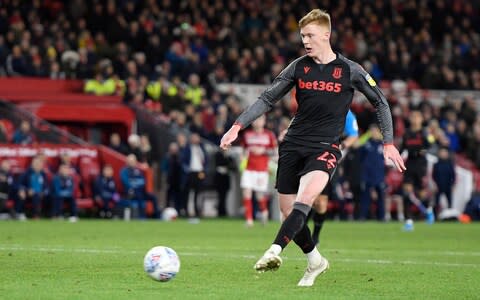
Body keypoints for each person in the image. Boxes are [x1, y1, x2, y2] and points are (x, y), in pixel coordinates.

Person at [220, 9, 405, 287]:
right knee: (286, 213)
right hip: (292, 146)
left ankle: (274, 250)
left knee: (303, 202)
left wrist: (388, 142)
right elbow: (268, 99)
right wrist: (238, 125)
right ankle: (316, 261)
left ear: (326, 35)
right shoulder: (298, 67)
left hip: (325, 147)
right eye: (302, 35)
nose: (305, 40)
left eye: (310, 35)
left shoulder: (350, 70)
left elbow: (380, 102)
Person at [310, 109, 358, 244]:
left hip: (329, 159)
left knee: (320, 203)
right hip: (309, 156)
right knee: (307, 198)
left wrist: (341, 147)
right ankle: (300, 232)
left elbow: (353, 135)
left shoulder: (347, 113)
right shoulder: (316, 107)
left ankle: (315, 235)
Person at [240, 114, 277, 227]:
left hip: (262, 169)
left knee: (259, 196)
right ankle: (249, 220)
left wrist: (263, 151)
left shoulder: (269, 135)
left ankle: (264, 211)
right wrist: (243, 156)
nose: (257, 122)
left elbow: (275, 153)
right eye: (255, 120)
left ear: (264, 121)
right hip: (249, 168)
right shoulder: (247, 135)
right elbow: (244, 150)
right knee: (246, 192)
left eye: (260, 119)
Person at [401, 110, 433, 229]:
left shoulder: (425, 132)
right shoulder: (407, 133)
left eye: (417, 117)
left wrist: (426, 144)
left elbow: (430, 145)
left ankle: (429, 210)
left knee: (421, 194)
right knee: (406, 192)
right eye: (412, 116)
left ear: (421, 119)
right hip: (410, 163)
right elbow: (402, 149)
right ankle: (409, 221)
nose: (414, 119)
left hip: (421, 165)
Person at [358, 124, 386, 221]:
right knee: (365, 197)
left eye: (375, 131)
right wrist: (366, 136)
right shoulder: (366, 144)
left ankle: (382, 217)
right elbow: (358, 152)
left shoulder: (383, 144)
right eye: (371, 131)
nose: (373, 133)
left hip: (379, 175)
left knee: (381, 198)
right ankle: (363, 216)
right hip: (367, 175)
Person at [120, 154, 160, 219]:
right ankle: (142, 216)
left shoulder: (138, 171)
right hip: (130, 193)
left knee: (153, 197)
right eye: (130, 161)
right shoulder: (124, 171)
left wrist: (135, 183)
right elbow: (127, 183)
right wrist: (136, 184)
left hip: (141, 191)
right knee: (138, 195)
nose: (131, 163)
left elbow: (143, 181)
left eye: (133, 161)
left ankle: (157, 216)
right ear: (127, 162)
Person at [181, 133, 208, 218]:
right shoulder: (187, 148)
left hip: (199, 173)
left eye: (197, 138)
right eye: (194, 138)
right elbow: (183, 160)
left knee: (199, 193)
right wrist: (186, 169)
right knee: (188, 192)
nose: (196, 139)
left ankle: (197, 211)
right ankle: (186, 210)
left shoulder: (201, 148)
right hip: (190, 173)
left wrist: (204, 170)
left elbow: (206, 160)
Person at [432, 147, 456, 213]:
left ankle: (450, 215)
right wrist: (435, 185)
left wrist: (453, 184)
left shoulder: (450, 164)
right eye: (442, 153)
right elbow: (433, 176)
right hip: (439, 185)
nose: (443, 154)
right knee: (436, 201)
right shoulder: (436, 164)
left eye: (445, 153)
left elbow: (453, 176)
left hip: (448, 185)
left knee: (450, 201)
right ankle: (435, 215)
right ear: (439, 154)